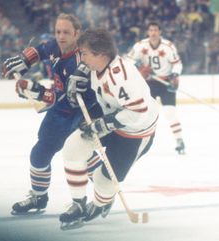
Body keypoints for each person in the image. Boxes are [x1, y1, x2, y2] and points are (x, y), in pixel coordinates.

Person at [59, 28, 159, 229]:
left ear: (101, 54)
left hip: (136, 131)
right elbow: (88, 68)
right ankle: (78, 204)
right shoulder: (99, 64)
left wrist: (103, 124)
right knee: (72, 148)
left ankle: (98, 204)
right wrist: (80, 74)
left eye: (84, 54)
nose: (81, 58)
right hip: (112, 116)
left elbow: (136, 112)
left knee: (103, 181)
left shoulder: (122, 75)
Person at [2, 13, 101, 215]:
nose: (61, 36)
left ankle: (104, 195)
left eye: (66, 32)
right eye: (58, 32)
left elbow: (68, 98)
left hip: (81, 113)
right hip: (60, 112)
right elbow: (41, 49)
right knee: (39, 154)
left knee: (84, 157)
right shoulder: (56, 46)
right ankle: (39, 197)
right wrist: (25, 60)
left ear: (77, 34)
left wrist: (34, 89)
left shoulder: (81, 61)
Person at [127, 21, 186, 155]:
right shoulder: (140, 45)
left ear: (160, 32)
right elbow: (128, 61)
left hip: (165, 83)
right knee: (146, 114)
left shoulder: (168, 46)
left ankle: (179, 141)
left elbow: (177, 64)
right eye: (151, 30)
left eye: (156, 30)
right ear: (148, 32)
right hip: (148, 84)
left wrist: (175, 75)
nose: (153, 33)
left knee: (170, 113)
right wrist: (138, 67)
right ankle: (140, 142)